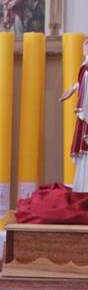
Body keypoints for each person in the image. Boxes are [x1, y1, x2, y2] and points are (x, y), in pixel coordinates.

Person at [59, 39, 88, 192]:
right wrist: (70, 90)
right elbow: (80, 82)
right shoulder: (85, 65)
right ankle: (83, 185)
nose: (84, 50)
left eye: (86, 47)